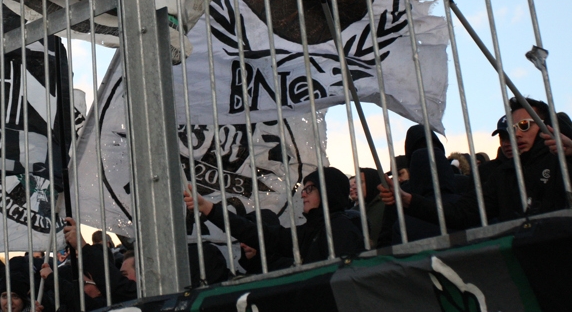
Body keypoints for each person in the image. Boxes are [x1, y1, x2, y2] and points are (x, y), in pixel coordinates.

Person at [379, 99, 569, 228]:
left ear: (547, 125)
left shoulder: (563, 161)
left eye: (525, 125)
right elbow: (460, 212)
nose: (517, 134)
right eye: (512, 129)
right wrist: (409, 200)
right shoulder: (503, 175)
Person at [184, 167, 363, 265]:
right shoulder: (310, 230)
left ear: (328, 191)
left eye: (310, 188)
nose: (303, 194)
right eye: (303, 189)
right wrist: (207, 207)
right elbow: (259, 235)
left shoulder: (342, 228)